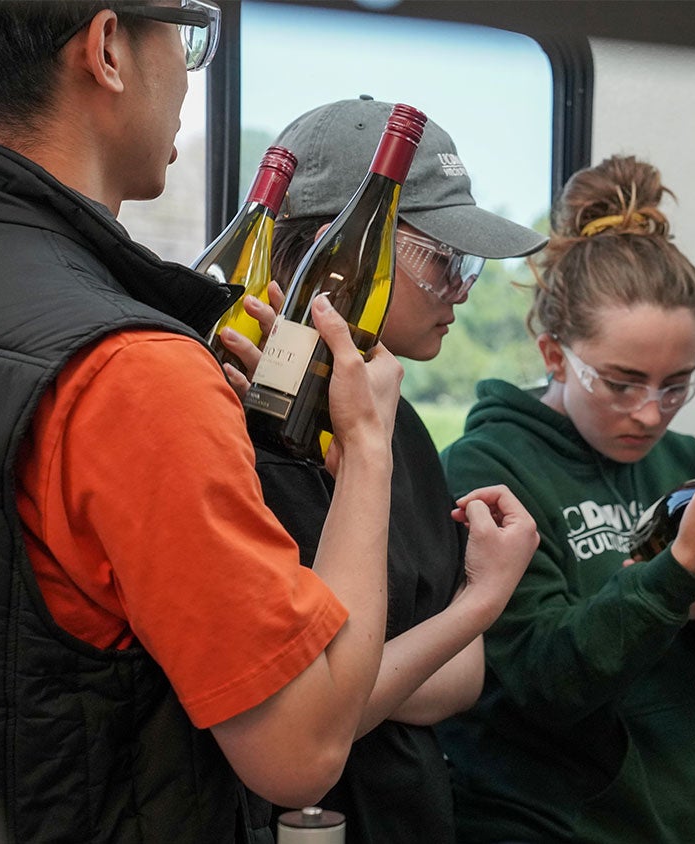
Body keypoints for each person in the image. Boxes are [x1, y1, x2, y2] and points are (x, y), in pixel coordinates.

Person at [0, 4, 417, 841]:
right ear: (107, 49)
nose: (188, 74)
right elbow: (304, 745)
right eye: (186, 34)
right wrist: (366, 448)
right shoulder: (135, 372)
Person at [436, 155, 695, 844]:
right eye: (621, 382)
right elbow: (547, 684)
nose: (650, 413)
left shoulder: (690, 466)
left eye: (677, 385)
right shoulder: (486, 468)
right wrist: (677, 573)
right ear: (555, 355)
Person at [217, 97, 544, 844]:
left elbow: (459, 682)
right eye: (444, 261)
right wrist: (477, 603)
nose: (463, 290)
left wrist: (369, 675)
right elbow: (310, 724)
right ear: (339, 251)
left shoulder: (402, 431)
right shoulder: (239, 437)